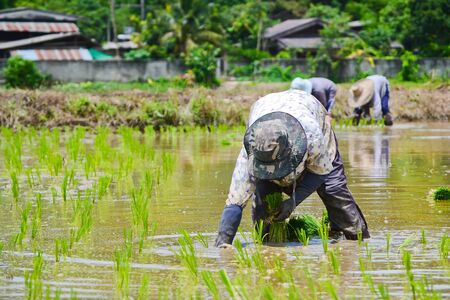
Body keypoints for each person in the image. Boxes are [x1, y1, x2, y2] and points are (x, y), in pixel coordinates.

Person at [214, 89, 370, 247]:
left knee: (333, 189)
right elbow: (235, 200)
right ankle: (268, 245)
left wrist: (293, 201)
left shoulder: (312, 135)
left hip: (307, 111)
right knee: (264, 201)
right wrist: (223, 244)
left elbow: (321, 172)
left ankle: (356, 240)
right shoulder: (250, 150)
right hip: (265, 109)